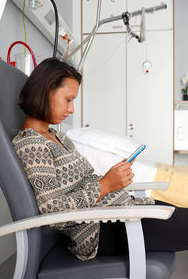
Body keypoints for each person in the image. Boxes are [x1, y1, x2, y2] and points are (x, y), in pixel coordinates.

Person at [12, 57, 188, 261]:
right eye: (68, 100)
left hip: (120, 211)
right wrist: (105, 185)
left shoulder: (58, 137)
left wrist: (113, 179)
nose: (71, 110)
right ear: (45, 91)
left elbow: (84, 183)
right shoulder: (32, 144)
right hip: (99, 231)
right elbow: (51, 209)